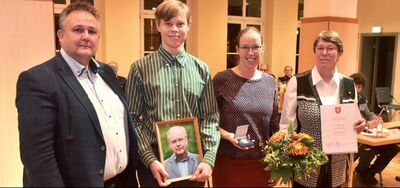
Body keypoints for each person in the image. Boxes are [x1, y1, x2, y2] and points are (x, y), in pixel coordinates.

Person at [15, 1, 138, 187]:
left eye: (92, 31)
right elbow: (38, 157)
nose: (86, 36)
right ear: (61, 36)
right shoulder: (38, 80)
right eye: (78, 30)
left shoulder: (107, 73)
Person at [125, 0, 220, 187]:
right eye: (168, 24)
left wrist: (208, 159)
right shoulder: (140, 69)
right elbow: (132, 119)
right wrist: (149, 159)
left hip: (195, 164)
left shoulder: (201, 69)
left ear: (188, 26)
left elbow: (210, 117)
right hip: (153, 163)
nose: (174, 29)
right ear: (158, 25)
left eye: (180, 24)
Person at [279, 30, 365, 187]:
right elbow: (286, 125)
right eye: (320, 48)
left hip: (337, 166)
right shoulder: (298, 82)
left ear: (340, 53)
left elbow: (355, 118)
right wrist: (289, 150)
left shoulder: (348, 84)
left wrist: (360, 124)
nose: (324, 52)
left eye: (330, 48)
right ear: (315, 52)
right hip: (306, 167)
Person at [212, 27, 279, 187]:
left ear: (262, 49)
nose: (251, 52)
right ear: (237, 50)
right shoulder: (223, 80)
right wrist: (228, 136)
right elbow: (207, 121)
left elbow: (273, 127)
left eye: (255, 47)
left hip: (261, 164)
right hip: (228, 163)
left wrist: (277, 165)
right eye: (245, 47)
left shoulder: (270, 82)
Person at [350, 72, 400, 185]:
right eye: (355, 86)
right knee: (368, 150)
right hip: (356, 137)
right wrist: (368, 123)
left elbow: (368, 113)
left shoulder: (362, 98)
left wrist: (376, 119)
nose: (357, 89)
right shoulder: (345, 99)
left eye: (359, 87)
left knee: (394, 148)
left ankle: (371, 172)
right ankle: (361, 171)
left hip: (368, 133)